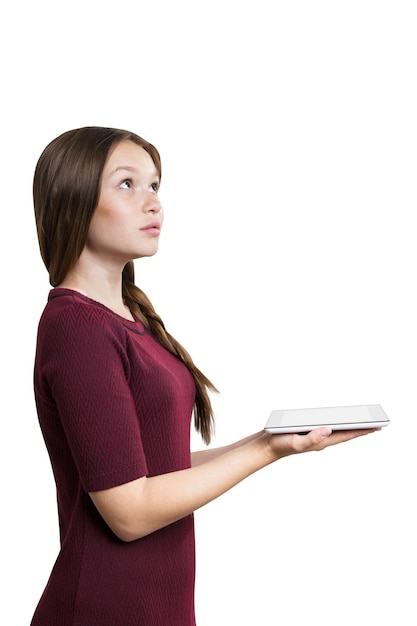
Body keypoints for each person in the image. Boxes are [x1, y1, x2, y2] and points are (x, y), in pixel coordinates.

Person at [30, 126, 378, 625]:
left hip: (156, 608)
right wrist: (264, 452)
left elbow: (152, 465)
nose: (153, 203)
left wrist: (270, 439)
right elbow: (129, 512)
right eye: (127, 184)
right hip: (103, 608)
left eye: (155, 186)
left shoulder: (129, 317)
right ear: (73, 198)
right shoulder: (75, 327)